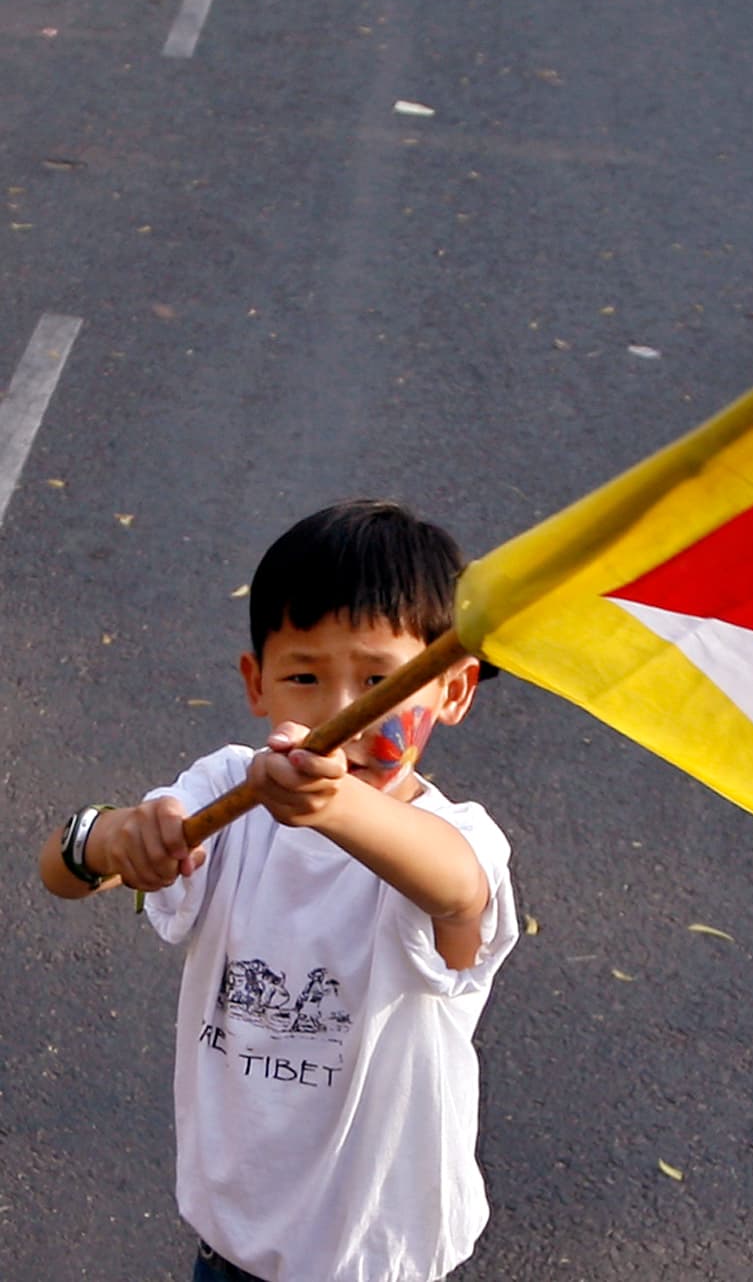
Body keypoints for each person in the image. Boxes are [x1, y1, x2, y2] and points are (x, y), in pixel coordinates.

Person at [35, 499, 519, 1282]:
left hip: (378, 1260)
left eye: (378, 681)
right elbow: (60, 871)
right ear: (257, 685)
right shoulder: (229, 789)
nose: (339, 714)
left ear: (453, 691)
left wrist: (333, 806)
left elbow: (459, 894)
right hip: (229, 1248)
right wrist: (118, 837)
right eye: (304, 676)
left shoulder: (457, 841)